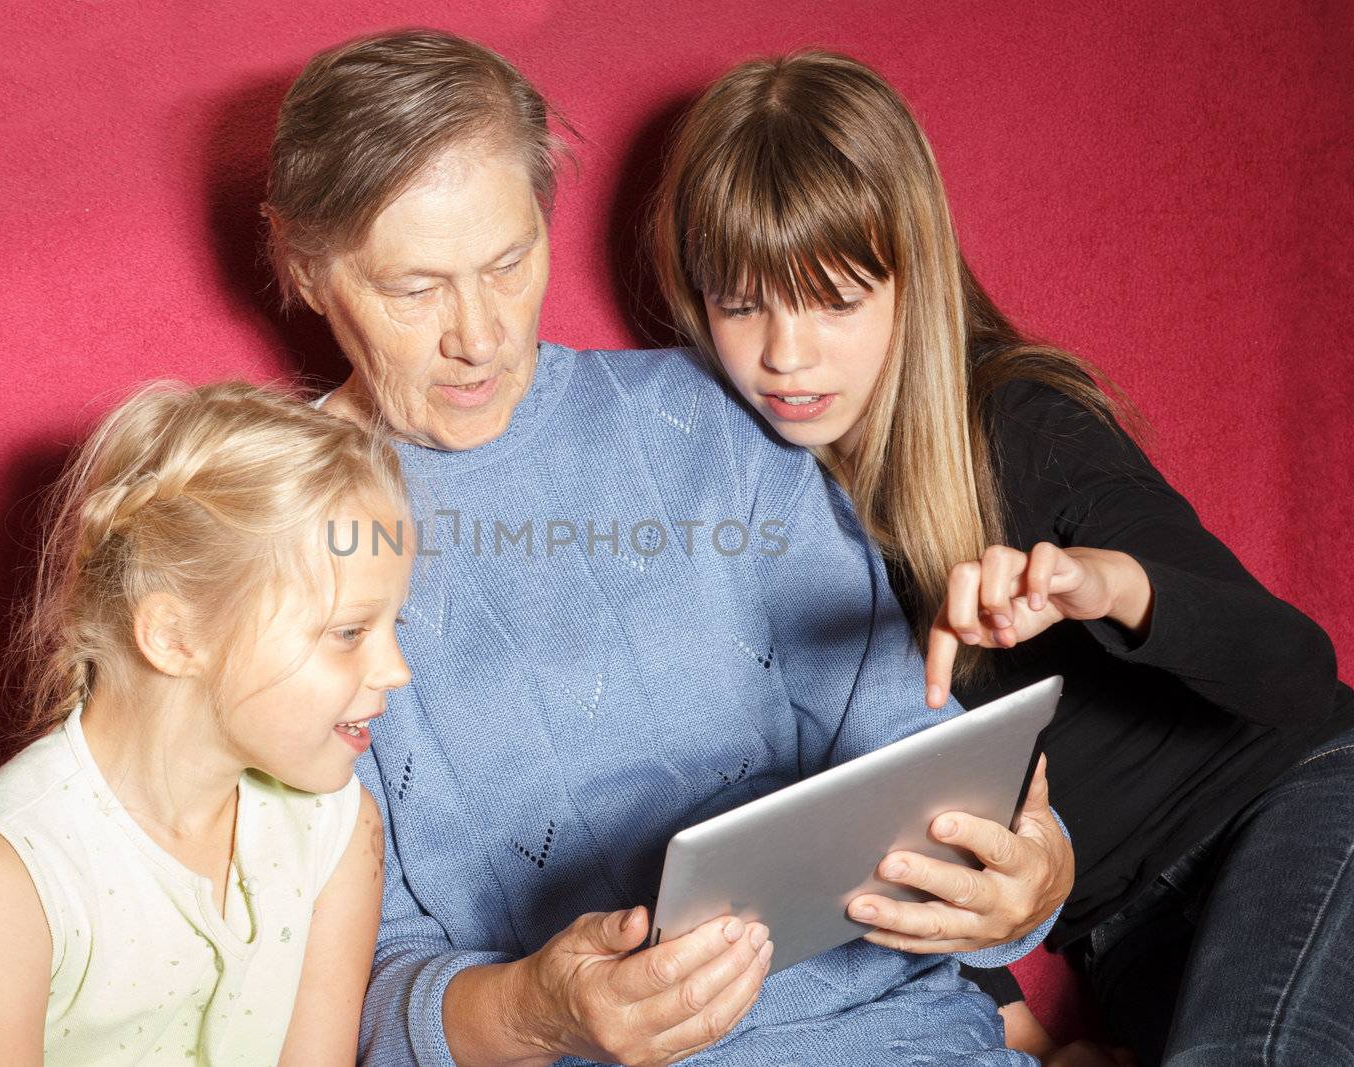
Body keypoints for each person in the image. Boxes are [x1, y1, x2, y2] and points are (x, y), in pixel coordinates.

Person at [263, 30, 1075, 1066]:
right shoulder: (279, 540)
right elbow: (335, 1001)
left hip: (910, 1037)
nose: (478, 334)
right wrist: (533, 1009)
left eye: (509, 263)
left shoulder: (707, 419)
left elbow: (910, 750)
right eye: (414, 288)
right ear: (303, 265)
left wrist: (1026, 875)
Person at [649, 48, 1354, 1065]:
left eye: (835, 299)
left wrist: (1105, 584)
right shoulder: (752, 513)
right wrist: (1019, 1025)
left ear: (910, 279)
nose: (786, 356)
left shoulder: (1018, 421)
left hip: (1294, 801)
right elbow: (853, 809)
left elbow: (1295, 672)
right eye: (741, 302)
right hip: (1128, 936)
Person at [0, 382, 412, 1064]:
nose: (396, 669)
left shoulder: (338, 826)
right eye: (347, 631)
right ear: (172, 634)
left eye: (391, 624)